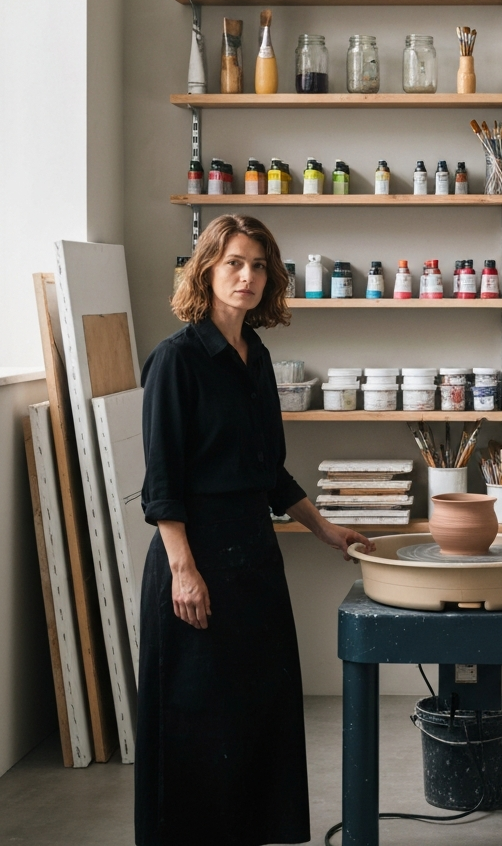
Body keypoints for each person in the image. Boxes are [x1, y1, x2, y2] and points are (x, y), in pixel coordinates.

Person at [135, 214, 373, 846]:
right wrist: (184, 572)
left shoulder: (258, 356)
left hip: (255, 563)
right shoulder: (175, 360)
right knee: (195, 722)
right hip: (196, 560)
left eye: (259, 265)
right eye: (234, 262)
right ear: (206, 269)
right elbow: (162, 484)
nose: (246, 276)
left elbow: (268, 471)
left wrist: (326, 529)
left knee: (255, 717)